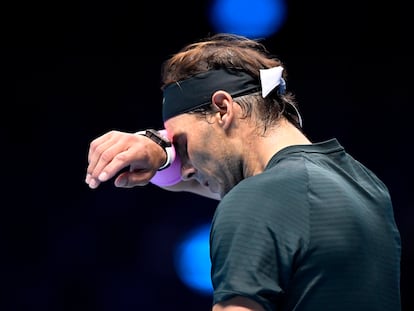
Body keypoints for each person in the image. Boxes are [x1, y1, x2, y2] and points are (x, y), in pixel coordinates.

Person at [85, 33, 401, 311]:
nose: (189, 167)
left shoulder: (255, 198)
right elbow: (189, 181)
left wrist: (155, 143)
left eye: (183, 143)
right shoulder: (366, 186)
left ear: (223, 109)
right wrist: (161, 149)